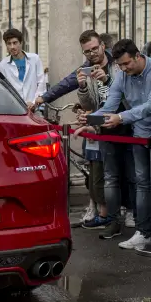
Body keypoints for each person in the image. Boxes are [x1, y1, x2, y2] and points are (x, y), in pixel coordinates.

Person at [31, 30, 118, 228]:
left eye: (95, 48)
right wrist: (42, 99)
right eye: (87, 51)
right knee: (97, 169)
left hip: (119, 124)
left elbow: (123, 95)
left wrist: (106, 80)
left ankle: (124, 212)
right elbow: (66, 85)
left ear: (103, 46)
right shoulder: (86, 69)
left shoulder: (117, 64)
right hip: (95, 123)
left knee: (120, 171)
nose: (92, 54)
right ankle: (99, 209)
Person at [76, 39, 151, 253]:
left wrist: (120, 116)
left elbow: (148, 107)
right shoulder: (121, 76)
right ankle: (143, 233)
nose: (124, 69)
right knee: (143, 183)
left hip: (141, 129)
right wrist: (90, 121)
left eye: (127, 64)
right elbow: (108, 107)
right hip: (140, 135)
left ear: (137, 56)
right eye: (121, 66)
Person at [0, 28, 46, 107]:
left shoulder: (35, 59)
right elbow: (4, 89)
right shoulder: (3, 64)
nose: (12, 47)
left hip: (34, 107)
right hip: (15, 109)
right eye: (9, 43)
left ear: (21, 43)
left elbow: (41, 83)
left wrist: (34, 102)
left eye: (15, 43)